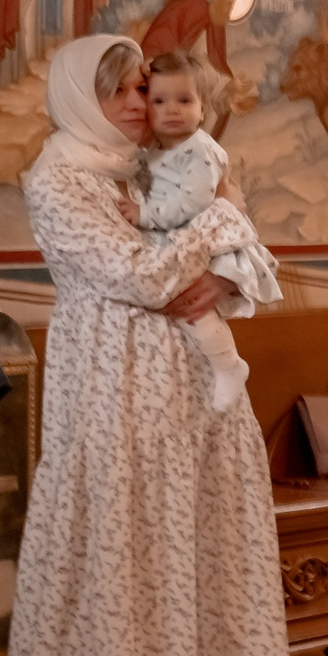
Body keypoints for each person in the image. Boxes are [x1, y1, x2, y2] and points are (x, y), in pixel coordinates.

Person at [2, 34, 290, 656]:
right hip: (109, 391)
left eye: (142, 87)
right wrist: (218, 221)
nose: (138, 103)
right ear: (78, 99)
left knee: (174, 549)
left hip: (189, 397)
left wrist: (222, 254)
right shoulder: (59, 176)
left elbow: (251, 258)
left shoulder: (152, 165)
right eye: (120, 91)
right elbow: (140, 275)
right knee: (90, 550)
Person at [136, 51, 282, 411]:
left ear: (203, 109)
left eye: (184, 100)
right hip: (181, 242)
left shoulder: (201, 150)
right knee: (184, 311)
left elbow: (194, 201)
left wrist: (144, 214)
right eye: (159, 100)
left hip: (210, 244)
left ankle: (229, 365)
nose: (172, 109)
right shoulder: (152, 154)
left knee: (196, 312)